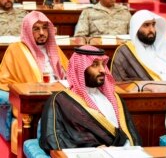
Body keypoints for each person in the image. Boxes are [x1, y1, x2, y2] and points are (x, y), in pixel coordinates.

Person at [39, 45, 142, 153]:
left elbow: (130, 133)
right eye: (95, 64)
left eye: (103, 64)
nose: (102, 70)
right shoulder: (60, 100)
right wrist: (93, 150)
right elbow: (52, 139)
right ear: (80, 69)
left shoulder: (115, 99)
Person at [0, 11, 68, 154]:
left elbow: (68, 74)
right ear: (27, 30)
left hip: (60, 96)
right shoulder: (15, 49)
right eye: (36, 29)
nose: (42, 33)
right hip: (34, 101)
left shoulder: (54, 49)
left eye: (44, 28)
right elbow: (4, 80)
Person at [111, 10, 166, 81]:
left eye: (153, 25)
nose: (152, 30)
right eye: (146, 25)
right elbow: (119, 81)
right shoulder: (125, 52)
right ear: (136, 28)